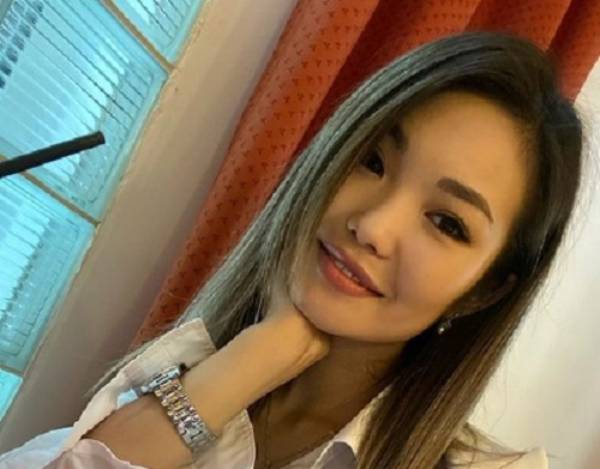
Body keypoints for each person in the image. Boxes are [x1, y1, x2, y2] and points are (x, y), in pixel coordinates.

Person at [0, 30, 585, 468]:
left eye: (446, 223)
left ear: (485, 289)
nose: (373, 227)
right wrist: (255, 359)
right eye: (371, 160)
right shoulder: (192, 367)